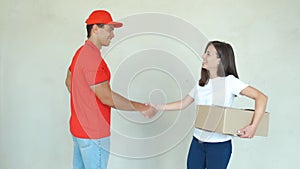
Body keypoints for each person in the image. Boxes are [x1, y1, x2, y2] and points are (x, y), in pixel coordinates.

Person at [65, 10, 157, 169]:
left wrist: (85, 104)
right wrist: (141, 107)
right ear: (95, 29)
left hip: (79, 131)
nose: (112, 34)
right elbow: (107, 97)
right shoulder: (91, 58)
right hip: (94, 134)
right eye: (109, 29)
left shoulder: (80, 53)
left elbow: (69, 81)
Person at [155, 41, 268, 169]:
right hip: (197, 143)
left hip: (219, 146)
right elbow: (182, 104)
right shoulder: (201, 84)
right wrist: (158, 107)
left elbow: (261, 98)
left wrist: (253, 127)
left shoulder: (230, 82)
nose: (203, 57)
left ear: (220, 60)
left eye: (208, 54)